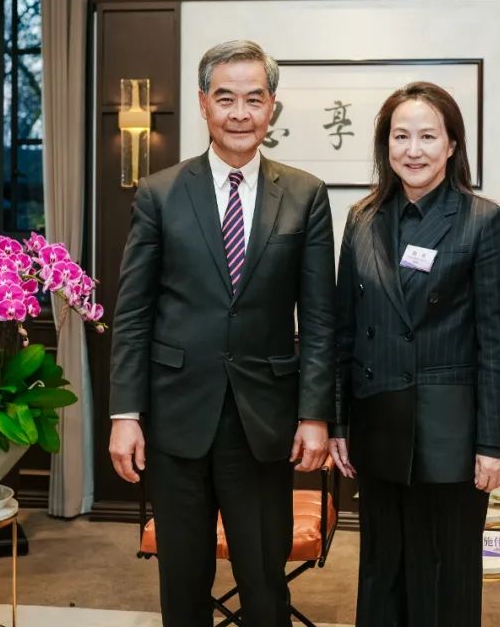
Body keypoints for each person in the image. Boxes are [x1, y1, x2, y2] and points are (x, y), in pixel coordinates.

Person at [109, 40, 335, 627]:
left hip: (264, 422)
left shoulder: (306, 195)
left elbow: (319, 318)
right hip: (175, 416)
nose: (240, 113)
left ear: (272, 107)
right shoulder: (160, 193)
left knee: (265, 586)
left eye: (254, 99)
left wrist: (315, 414)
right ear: (204, 103)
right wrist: (125, 414)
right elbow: (133, 312)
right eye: (226, 98)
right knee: (183, 587)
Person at [329, 81, 500, 627]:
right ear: (385, 144)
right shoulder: (363, 218)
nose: (413, 150)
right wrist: (339, 423)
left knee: (444, 577)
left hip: (447, 436)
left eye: (428, 136)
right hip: (377, 426)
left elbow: (497, 342)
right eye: (400, 136)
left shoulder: (482, 221)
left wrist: (493, 444)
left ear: (452, 144)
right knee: (381, 573)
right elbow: (345, 330)